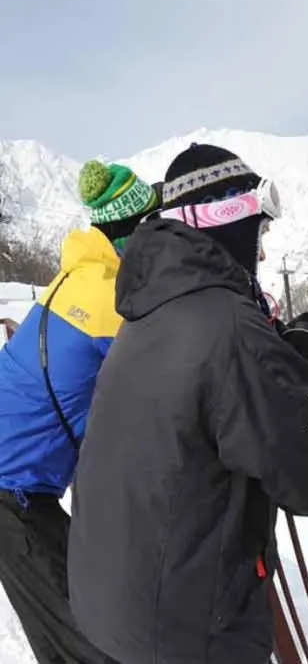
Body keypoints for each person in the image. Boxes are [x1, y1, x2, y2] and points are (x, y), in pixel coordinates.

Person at [66, 144, 308, 664]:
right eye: (261, 234)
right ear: (230, 221)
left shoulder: (150, 309)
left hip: (113, 607)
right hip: (185, 631)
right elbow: (298, 480)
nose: (264, 254)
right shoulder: (225, 323)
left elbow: (276, 346)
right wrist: (305, 425)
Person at [0, 160, 159, 664]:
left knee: (75, 622)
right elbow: (176, 373)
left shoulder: (77, 276)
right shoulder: (108, 299)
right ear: (131, 232)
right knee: (84, 637)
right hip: (13, 492)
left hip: (21, 482)